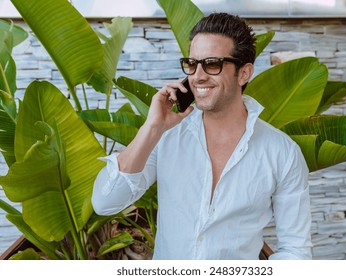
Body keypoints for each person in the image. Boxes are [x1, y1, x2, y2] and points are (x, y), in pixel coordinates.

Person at [92, 12, 312, 260]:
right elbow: (105, 202)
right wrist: (152, 128)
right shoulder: (166, 136)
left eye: (212, 64)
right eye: (192, 64)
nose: (197, 76)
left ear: (244, 73)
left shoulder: (282, 152)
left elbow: (296, 252)